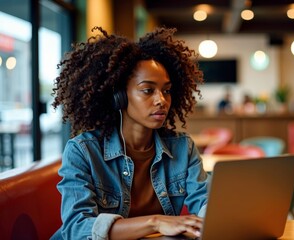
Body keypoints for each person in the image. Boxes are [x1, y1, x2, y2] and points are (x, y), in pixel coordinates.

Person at [51, 26, 209, 240]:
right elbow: (77, 229)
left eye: (166, 90)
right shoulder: (83, 151)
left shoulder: (182, 147)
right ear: (119, 96)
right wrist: (156, 221)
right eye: (148, 90)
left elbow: (206, 202)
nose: (161, 100)